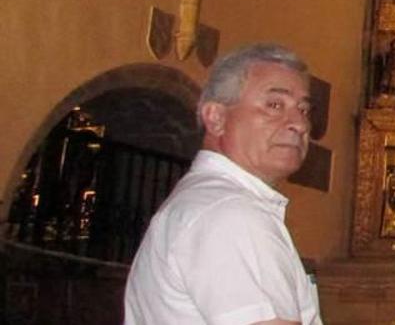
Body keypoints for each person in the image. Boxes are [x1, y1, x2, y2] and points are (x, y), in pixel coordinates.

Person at [124, 43, 321, 324]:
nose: (299, 124)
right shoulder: (232, 214)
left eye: (303, 109)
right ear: (215, 117)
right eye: (275, 105)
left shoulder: (210, 204)